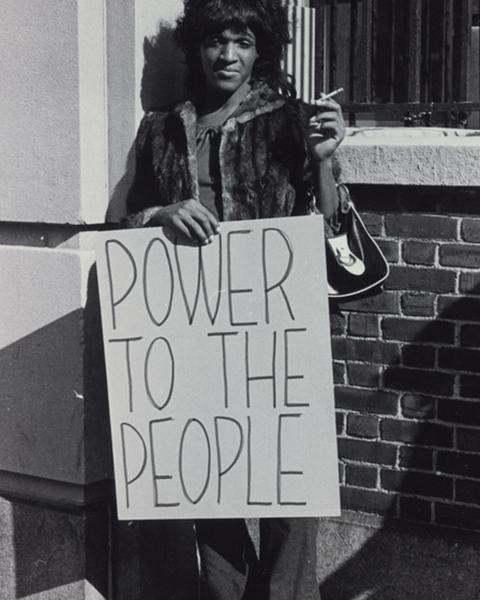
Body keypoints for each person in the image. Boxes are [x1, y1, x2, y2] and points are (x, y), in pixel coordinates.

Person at [125, 1, 345, 598]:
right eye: (217, 41)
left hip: (274, 328)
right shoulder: (163, 127)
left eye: (242, 42)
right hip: (194, 329)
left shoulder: (292, 120)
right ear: (197, 48)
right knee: (211, 478)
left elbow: (329, 233)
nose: (228, 55)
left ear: (260, 49)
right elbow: (129, 221)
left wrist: (325, 165)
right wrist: (160, 214)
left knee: (288, 487)